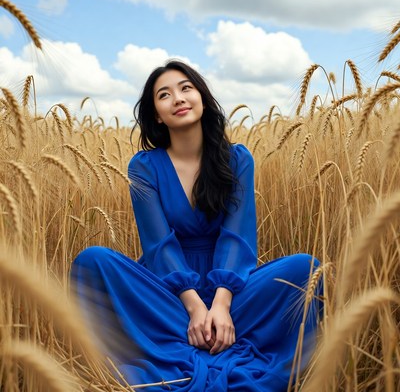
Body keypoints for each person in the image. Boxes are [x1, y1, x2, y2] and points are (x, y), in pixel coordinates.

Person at [71, 60, 322, 391]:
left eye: (186, 88)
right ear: (157, 114)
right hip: (169, 293)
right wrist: (193, 308)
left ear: (202, 98)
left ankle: (209, 332)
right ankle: (197, 334)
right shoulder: (143, 166)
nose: (178, 98)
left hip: (232, 288)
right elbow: (158, 245)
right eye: (165, 94)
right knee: (92, 261)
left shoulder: (237, 159)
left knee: (305, 269)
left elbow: (237, 237)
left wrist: (221, 304)